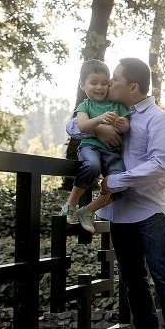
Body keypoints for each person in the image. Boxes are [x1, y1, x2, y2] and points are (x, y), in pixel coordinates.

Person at [66, 57, 165, 329]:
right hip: (121, 209)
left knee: (163, 275)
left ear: (133, 87)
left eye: (116, 80)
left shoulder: (158, 119)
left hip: (149, 208)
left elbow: (160, 163)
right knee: (132, 278)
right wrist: (102, 131)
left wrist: (115, 179)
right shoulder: (115, 112)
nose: (110, 84)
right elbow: (74, 126)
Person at [60, 59, 129, 233]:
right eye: (94, 83)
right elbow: (82, 126)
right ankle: (70, 204)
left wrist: (122, 123)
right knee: (91, 165)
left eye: (104, 83)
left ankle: (88, 210)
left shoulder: (117, 105)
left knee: (122, 184)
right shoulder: (85, 105)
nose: (99, 87)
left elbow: (127, 126)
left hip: (112, 154)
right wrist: (99, 120)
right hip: (90, 147)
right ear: (82, 85)